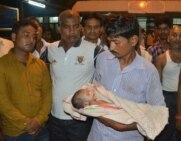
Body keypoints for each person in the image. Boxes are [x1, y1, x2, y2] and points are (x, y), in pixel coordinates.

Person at [87, 15, 165, 141]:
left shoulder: (148, 72)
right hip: (97, 135)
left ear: (133, 40)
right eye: (109, 41)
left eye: (116, 42)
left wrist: (127, 126)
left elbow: (158, 114)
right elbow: (95, 92)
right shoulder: (102, 59)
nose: (111, 47)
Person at [47, 10, 96, 141]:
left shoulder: (94, 50)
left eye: (75, 26)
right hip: (54, 116)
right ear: (59, 28)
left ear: (80, 27)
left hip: (80, 118)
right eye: (67, 27)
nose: (72, 31)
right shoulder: (50, 49)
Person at [0, 19, 52, 141]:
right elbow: (2, 101)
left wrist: (39, 120)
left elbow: (47, 94)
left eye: (34, 37)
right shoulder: (2, 65)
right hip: (15, 132)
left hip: (41, 129)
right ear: (14, 36)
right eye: (26, 35)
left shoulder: (40, 65)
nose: (31, 40)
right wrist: (26, 123)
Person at [155, 26, 181, 141]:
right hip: (168, 99)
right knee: (166, 133)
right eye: (174, 35)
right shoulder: (161, 58)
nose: (177, 38)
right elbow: (157, 86)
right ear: (169, 38)